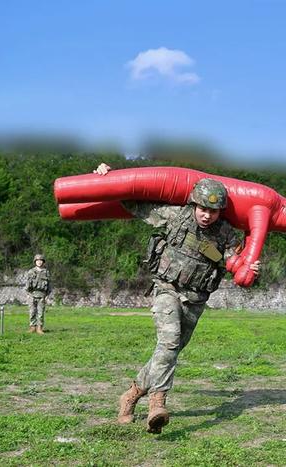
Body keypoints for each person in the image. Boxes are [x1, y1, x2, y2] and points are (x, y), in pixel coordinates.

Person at [94, 162, 260, 434]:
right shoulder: (174, 216)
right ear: (194, 204)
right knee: (168, 343)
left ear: (221, 211)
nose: (206, 216)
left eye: (213, 211)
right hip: (167, 289)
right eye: (203, 208)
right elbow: (132, 202)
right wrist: (109, 175)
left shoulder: (227, 235)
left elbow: (237, 267)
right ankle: (157, 404)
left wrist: (251, 270)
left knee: (168, 353)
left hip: (196, 299)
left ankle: (131, 395)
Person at [25, 253, 51, 335]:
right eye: (37, 260)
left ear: (43, 262)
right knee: (32, 311)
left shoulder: (46, 272)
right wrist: (28, 294)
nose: (39, 262)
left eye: (41, 260)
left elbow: (49, 285)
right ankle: (32, 327)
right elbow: (27, 283)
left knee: (40, 313)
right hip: (32, 294)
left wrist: (47, 296)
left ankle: (39, 328)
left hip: (42, 295)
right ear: (35, 261)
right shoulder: (31, 271)